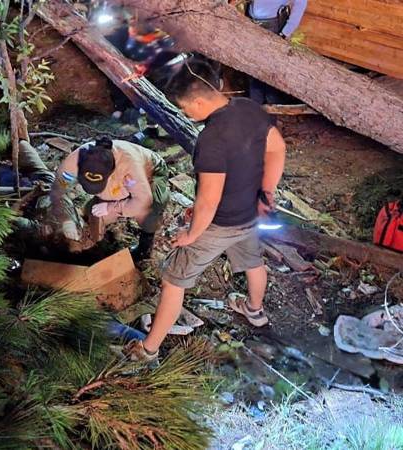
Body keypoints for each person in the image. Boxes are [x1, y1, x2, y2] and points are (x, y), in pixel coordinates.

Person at [123, 75, 286, 362]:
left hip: (220, 223)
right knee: (253, 261)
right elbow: (277, 148)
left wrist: (192, 233)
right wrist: (267, 194)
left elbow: (209, 200)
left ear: (198, 101)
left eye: (187, 109)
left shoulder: (211, 138)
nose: (188, 115)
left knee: (174, 280)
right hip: (250, 214)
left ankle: (148, 349)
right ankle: (254, 311)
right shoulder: (247, 107)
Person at [50, 136, 169, 260]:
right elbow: (58, 189)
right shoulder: (74, 161)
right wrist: (66, 219)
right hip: (118, 183)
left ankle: (145, 247)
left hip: (151, 172)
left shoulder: (129, 168)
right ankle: (95, 232)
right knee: (93, 213)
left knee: (151, 208)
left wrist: (111, 207)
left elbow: (143, 201)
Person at [247, 0, 308, 104]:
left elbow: (301, 3)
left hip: (272, 26)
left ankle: (270, 104)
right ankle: (255, 105)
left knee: (270, 66)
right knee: (253, 63)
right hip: (251, 20)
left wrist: (286, 31)